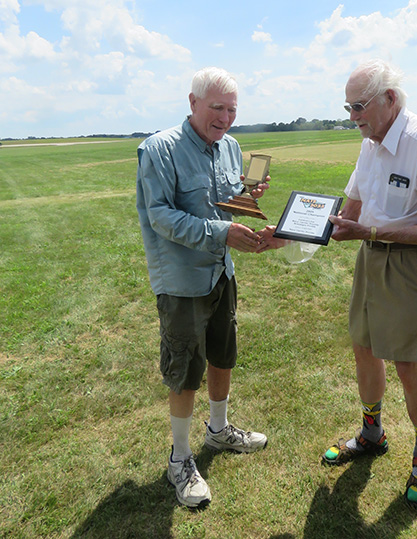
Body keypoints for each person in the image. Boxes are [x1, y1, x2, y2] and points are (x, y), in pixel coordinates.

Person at [320, 59, 417, 508]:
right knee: (364, 347)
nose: (353, 116)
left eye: (359, 106)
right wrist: (313, 225)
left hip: (408, 263)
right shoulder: (369, 144)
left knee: (407, 364)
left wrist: (372, 232)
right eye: (348, 107)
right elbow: (353, 212)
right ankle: (372, 432)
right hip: (370, 257)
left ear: (390, 99)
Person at [136, 67, 270, 509]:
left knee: (222, 353)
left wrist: (250, 198)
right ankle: (180, 457)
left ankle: (218, 430)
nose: (226, 118)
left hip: (221, 273)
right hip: (182, 281)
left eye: (232, 109)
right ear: (192, 103)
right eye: (217, 108)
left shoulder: (230, 147)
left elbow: (226, 201)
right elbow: (161, 216)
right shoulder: (160, 149)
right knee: (184, 368)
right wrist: (221, 232)